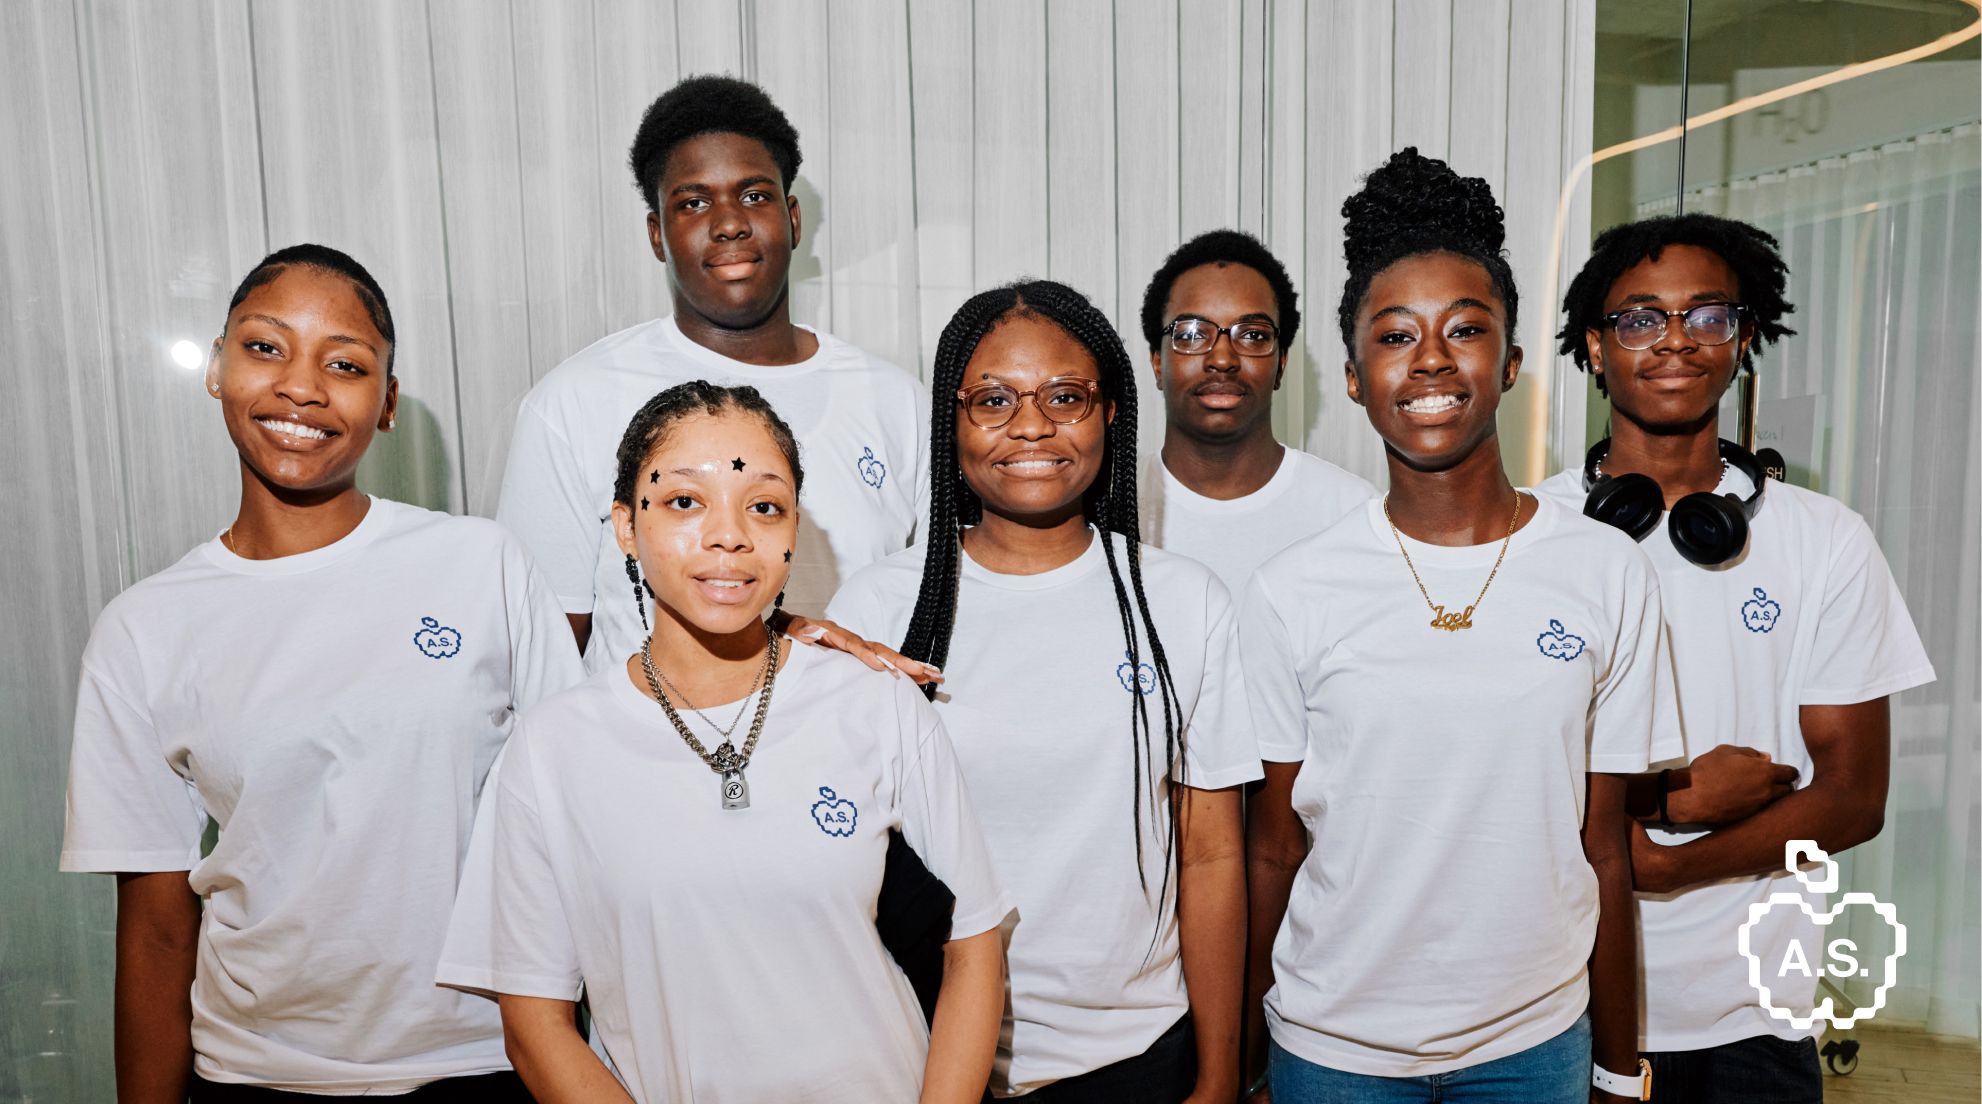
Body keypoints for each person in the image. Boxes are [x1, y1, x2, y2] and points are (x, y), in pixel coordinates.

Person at [59, 245, 581, 1101]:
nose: (302, 387)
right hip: (252, 1072)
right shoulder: (143, 628)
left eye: (345, 364)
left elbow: (582, 818)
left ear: (387, 403)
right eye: (266, 347)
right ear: (217, 368)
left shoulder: (481, 564)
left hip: (484, 1059)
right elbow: (155, 927)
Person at [1240, 149, 1681, 1103]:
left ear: (1511, 363)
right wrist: (1241, 1064)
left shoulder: (1607, 570)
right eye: (1395, 335)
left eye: (1466, 329)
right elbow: (1274, 848)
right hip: (1333, 1051)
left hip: (1536, 1044)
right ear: (1354, 377)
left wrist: (1619, 1067)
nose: (1432, 359)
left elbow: (1605, 846)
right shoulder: (1290, 590)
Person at [438, 381, 1008, 1103]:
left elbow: (974, 944)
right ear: (624, 525)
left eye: (763, 506)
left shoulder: (876, 702)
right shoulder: (552, 749)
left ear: (794, 527)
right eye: (684, 501)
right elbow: (534, 1021)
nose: (729, 535)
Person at [826, 280, 1257, 1103]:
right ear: (951, 425)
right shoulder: (880, 607)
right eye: (994, 400)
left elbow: (1210, 852)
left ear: (1111, 416)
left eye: (1065, 397)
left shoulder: (1183, 602)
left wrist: (1218, 1074)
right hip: (930, 1059)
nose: (1030, 426)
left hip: (1136, 1058)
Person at [1538, 213, 1936, 1103]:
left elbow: (1853, 798)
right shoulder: (1529, 535)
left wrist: (1667, 863)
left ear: (1744, 339)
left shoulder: (1826, 540)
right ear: (1595, 347)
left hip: (1752, 1017)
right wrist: (1671, 799)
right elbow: (1488, 776)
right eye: (1640, 318)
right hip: (1552, 1005)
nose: (1675, 339)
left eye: (1707, 315)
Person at [496, 74, 931, 674]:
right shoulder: (576, 400)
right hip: (650, 731)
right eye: (694, 203)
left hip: (854, 729)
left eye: (754, 195)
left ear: (793, 219)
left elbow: (939, 607)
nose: (729, 224)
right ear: (657, 235)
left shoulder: (897, 402)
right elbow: (542, 653)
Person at [1137, 230, 1375, 592]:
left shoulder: (1353, 512)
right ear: (1158, 363)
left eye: (1253, 335)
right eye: (1191, 334)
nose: (1222, 359)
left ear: (1281, 364)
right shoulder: (1102, 508)